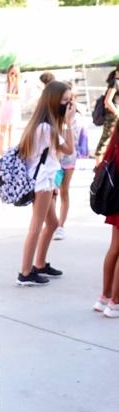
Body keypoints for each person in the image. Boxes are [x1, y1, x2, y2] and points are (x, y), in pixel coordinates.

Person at [17, 81, 75, 286]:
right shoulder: (45, 128)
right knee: (37, 225)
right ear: (53, 100)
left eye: (70, 100)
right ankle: (25, 272)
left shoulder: (45, 125)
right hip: (42, 182)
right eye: (65, 100)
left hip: (47, 180)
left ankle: (39, 264)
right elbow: (69, 150)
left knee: (51, 223)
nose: (69, 105)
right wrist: (68, 122)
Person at [92, 119, 119, 317]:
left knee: (114, 248)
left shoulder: (117, 129)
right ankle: (115, 302)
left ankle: (104, 297)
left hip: (115, 198)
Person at [54, 89, 82, 241]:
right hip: (54, 161)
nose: (68, 102)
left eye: (70, 99)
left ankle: (60, 225)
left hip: (68, 160)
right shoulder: (53, 116)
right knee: (52, 193)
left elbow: (74, 140)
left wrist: (68, 121)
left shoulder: (75, 117)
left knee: (64, 191)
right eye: (65, 99)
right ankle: (52, 223)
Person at [94, 66, 119, 164]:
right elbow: (108, 101)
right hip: (113, 116)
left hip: (115, 115)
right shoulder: (115, 82)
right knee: (105, 141)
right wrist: (117, 113)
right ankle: (98, 167)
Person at [0, 64, 22, 152]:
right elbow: (0, 96)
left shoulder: (20, 84)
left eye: (15, 74)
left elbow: (20, 96)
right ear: (8, 73)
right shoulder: (5, 84)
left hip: (14, 109)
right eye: (12, 73)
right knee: (2, 130)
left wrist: (8, 94)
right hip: (5, 108)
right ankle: (0, 150)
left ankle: (10, 150)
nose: (13, 75)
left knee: (12, 131)